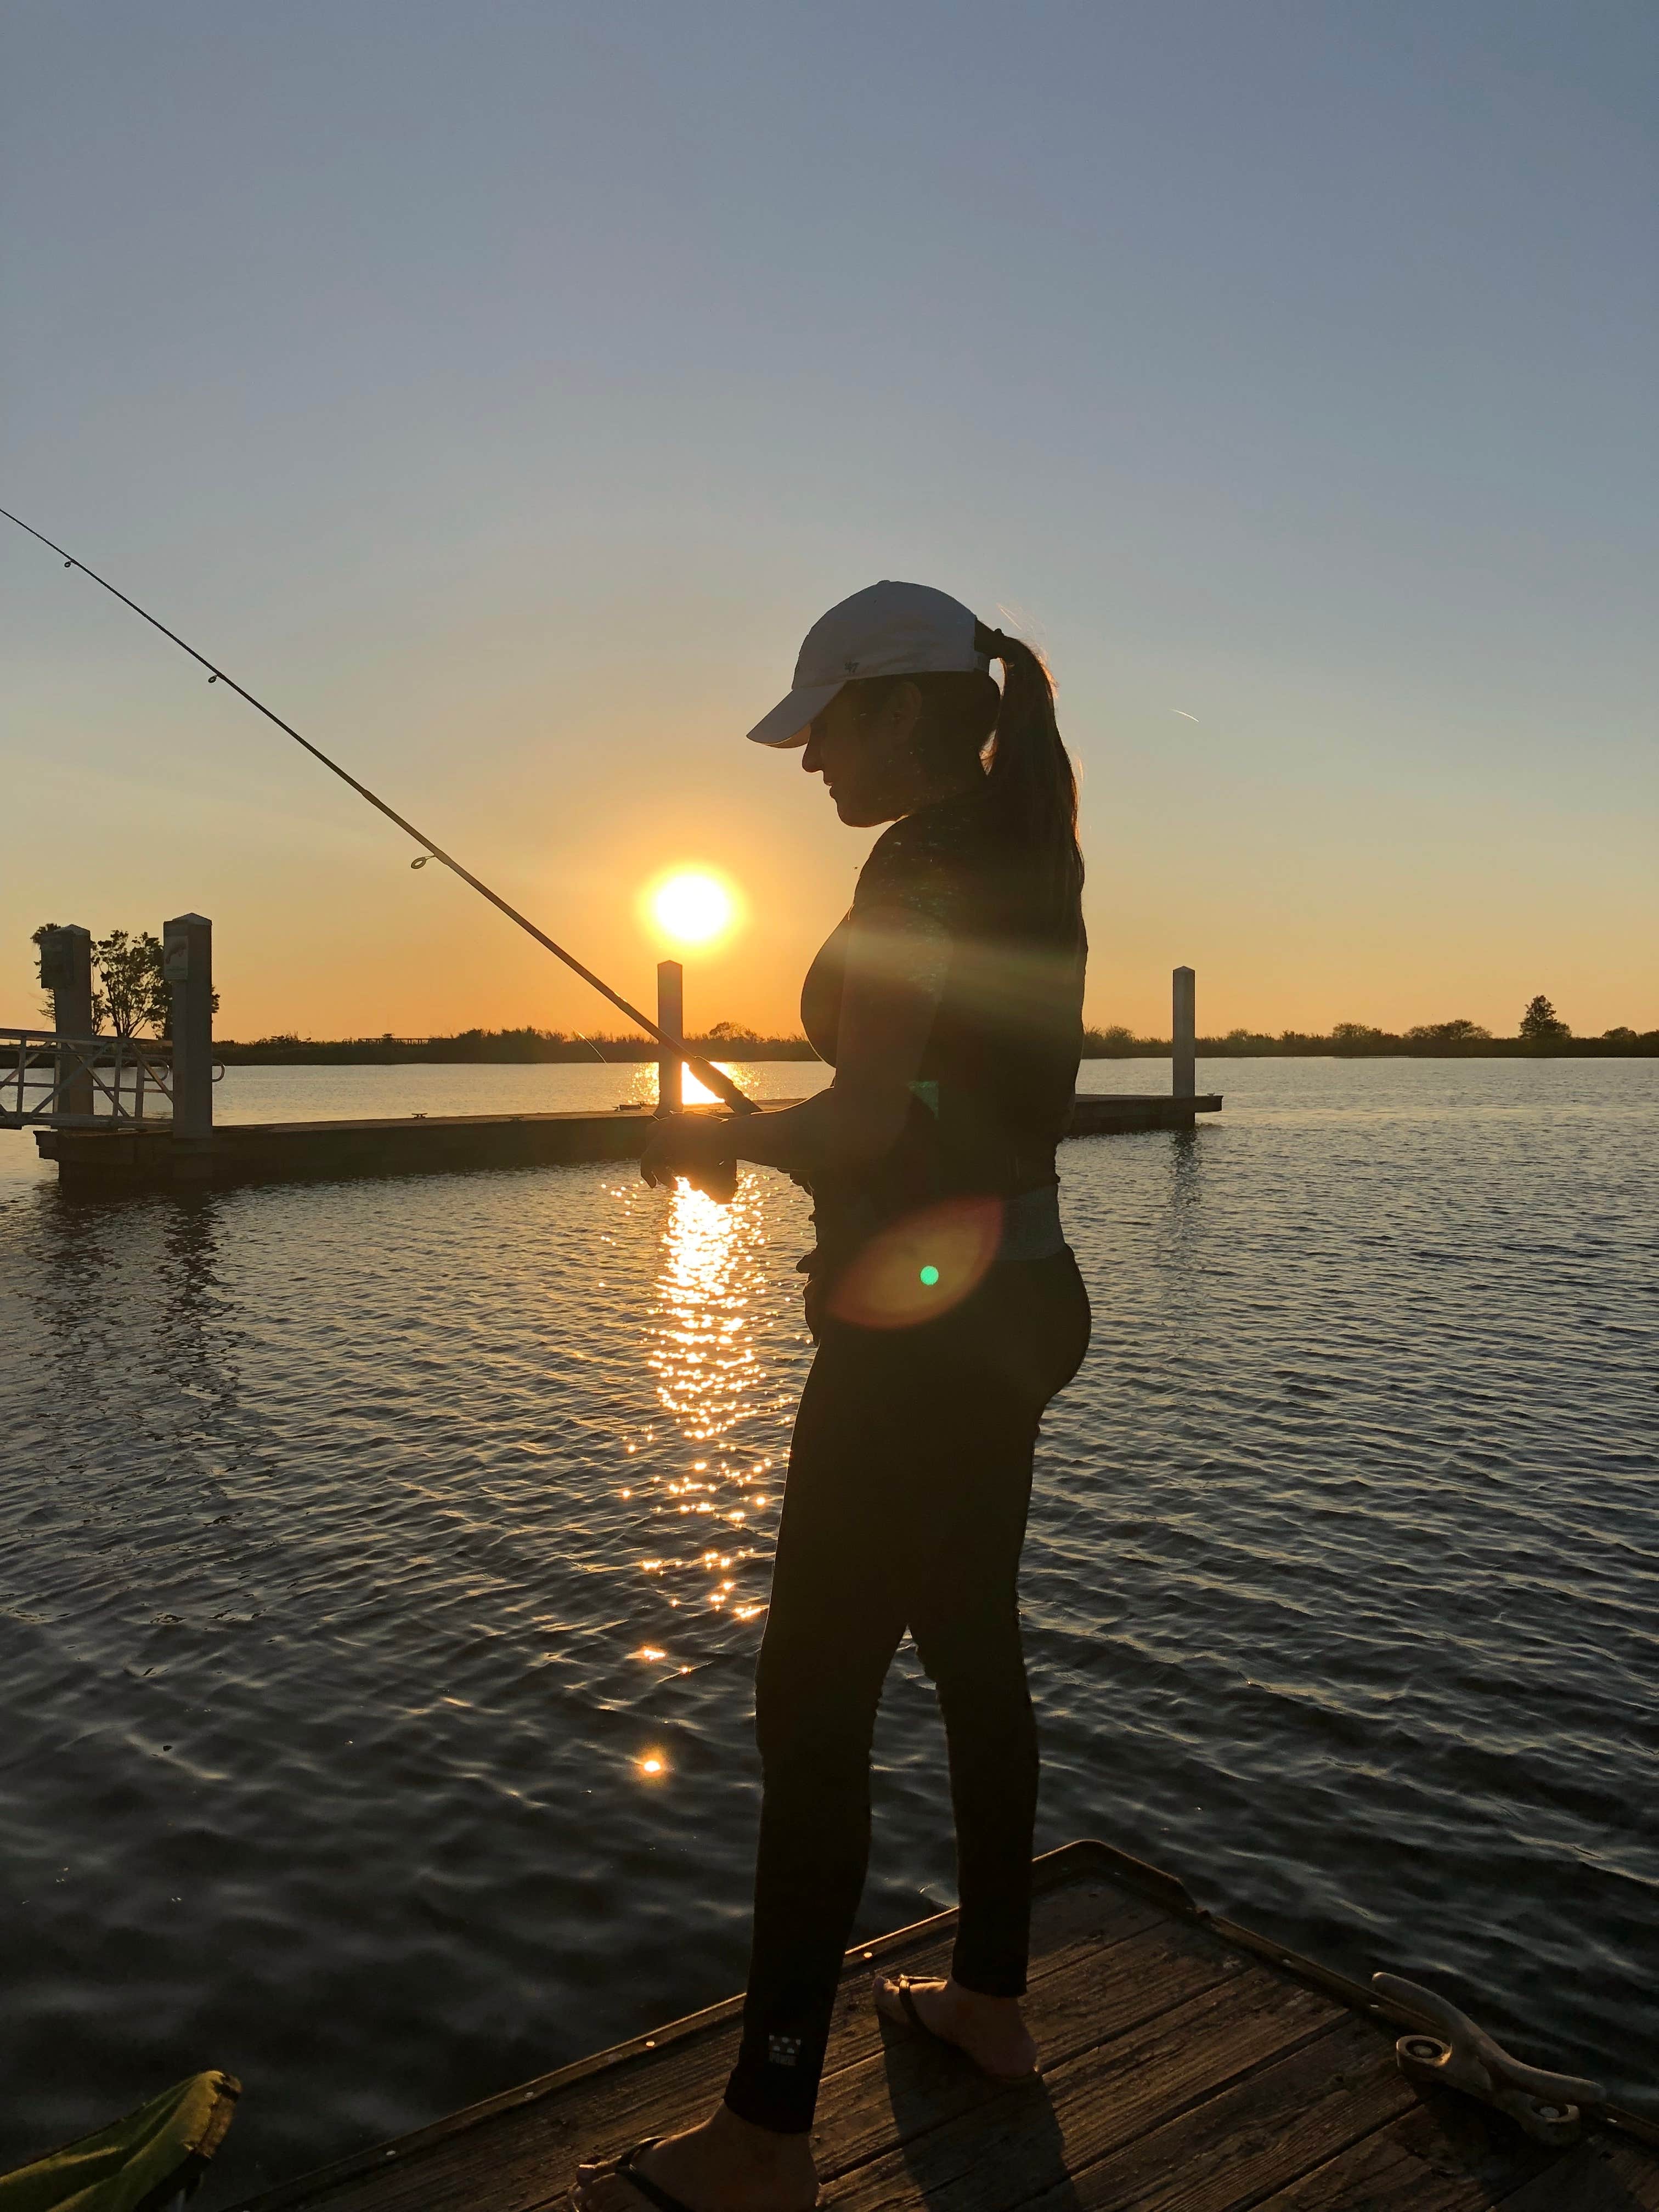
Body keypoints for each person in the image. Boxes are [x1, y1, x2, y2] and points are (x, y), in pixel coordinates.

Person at [575, 582, 1091, 2212]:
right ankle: (991, 2004)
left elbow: (869, 1120)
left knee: (811, 1716)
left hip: (922, 1350)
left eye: (826, 728)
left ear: (902, 709)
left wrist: (717, 1136)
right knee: (976, 1651)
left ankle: (764, 2139)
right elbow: (941, 1101)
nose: (809, 763)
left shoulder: (915, 867)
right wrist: (800, 1141)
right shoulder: (1032, 846)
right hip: (1024, 1300)